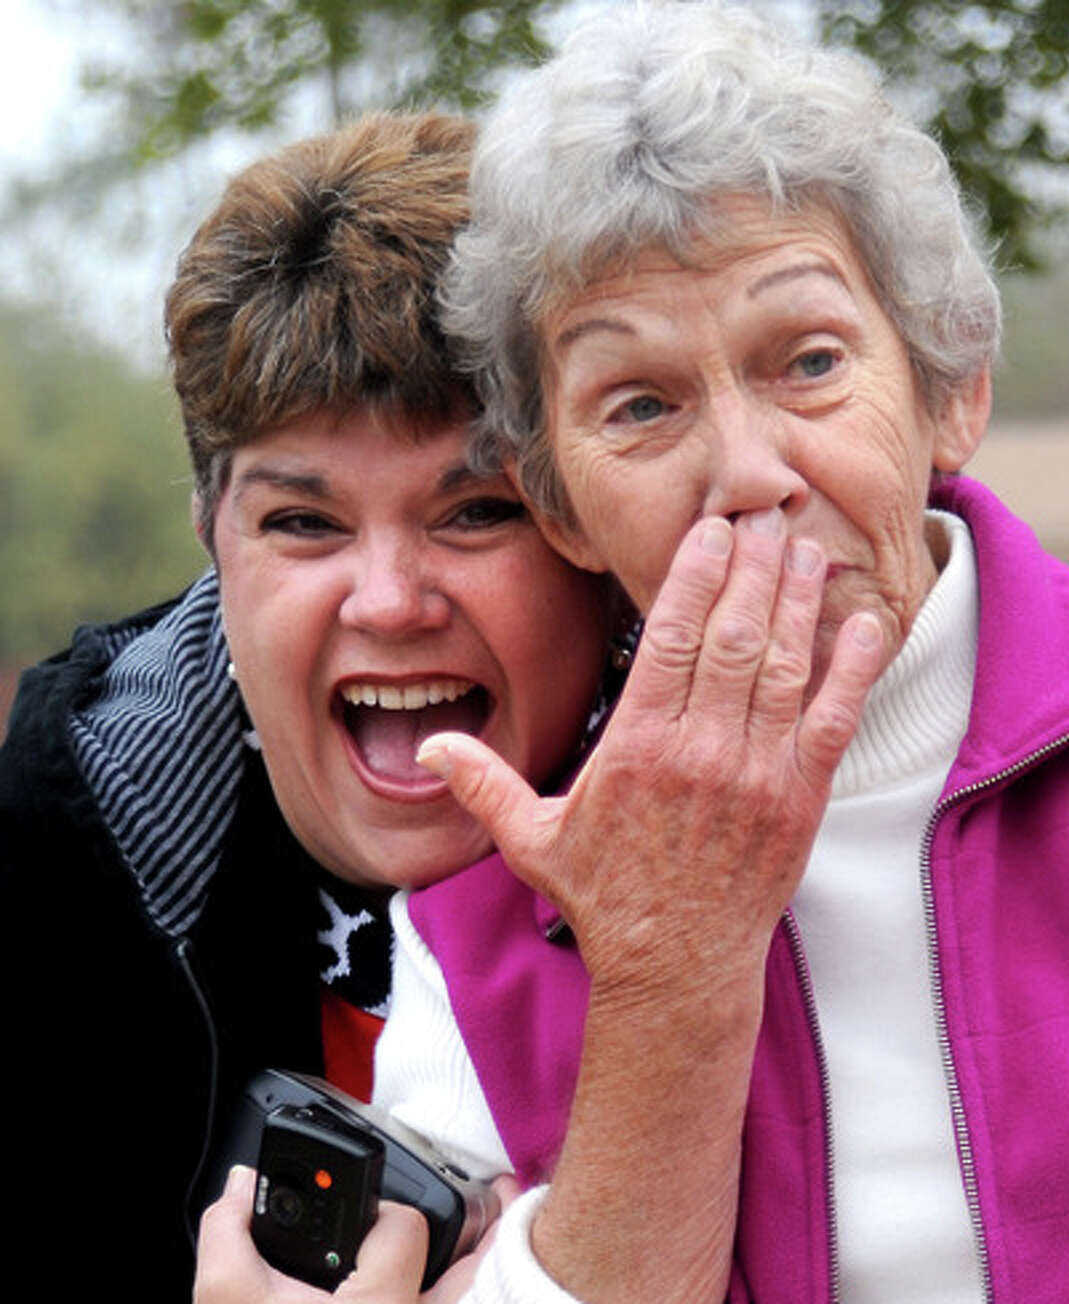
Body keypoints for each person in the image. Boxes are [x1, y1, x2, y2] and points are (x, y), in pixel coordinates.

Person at [341, 3, 1069, 1303]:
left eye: (807, 362)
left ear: (948, 390)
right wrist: (662, 972)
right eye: (639, 404)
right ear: (559, 504)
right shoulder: (481, 929)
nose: (746, 477)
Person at [0, 110, 621, 1299]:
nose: (388, 601)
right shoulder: (64, 847)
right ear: (212, 543)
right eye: (303, 522)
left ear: (593, 533)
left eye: (477, 510)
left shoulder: (783, 827)